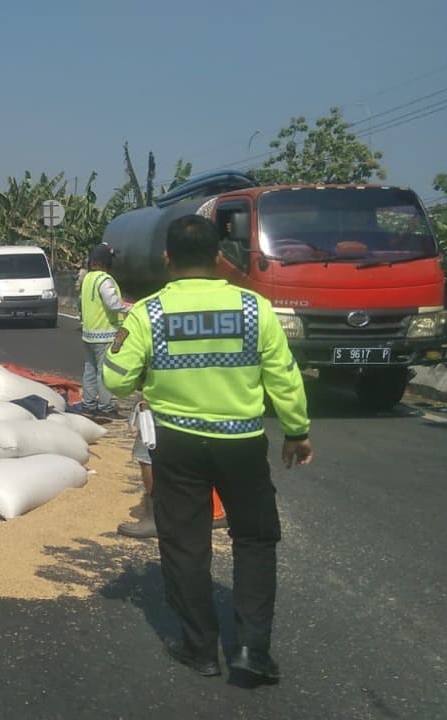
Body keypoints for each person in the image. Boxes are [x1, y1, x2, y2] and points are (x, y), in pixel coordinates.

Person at [102, 215, 313, 682]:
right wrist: (297, 432)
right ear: (220, 256)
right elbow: (283, 376)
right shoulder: (255, 308)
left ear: (166, 257)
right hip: (242, 444)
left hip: (176, 446)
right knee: (255, 540)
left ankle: (199, 648)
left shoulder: (148, 314)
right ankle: (252, 652)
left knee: (185, 543)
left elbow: (115, 379)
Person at [79, 243, 131, 419]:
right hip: (105, 333)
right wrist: (129, 308)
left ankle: (88, 404)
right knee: (104, 371)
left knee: (90, 369)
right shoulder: (104, 280)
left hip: (89, 333)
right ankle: (105, 407)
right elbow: (113, 304)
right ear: (106, 261)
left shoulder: (87, 278)